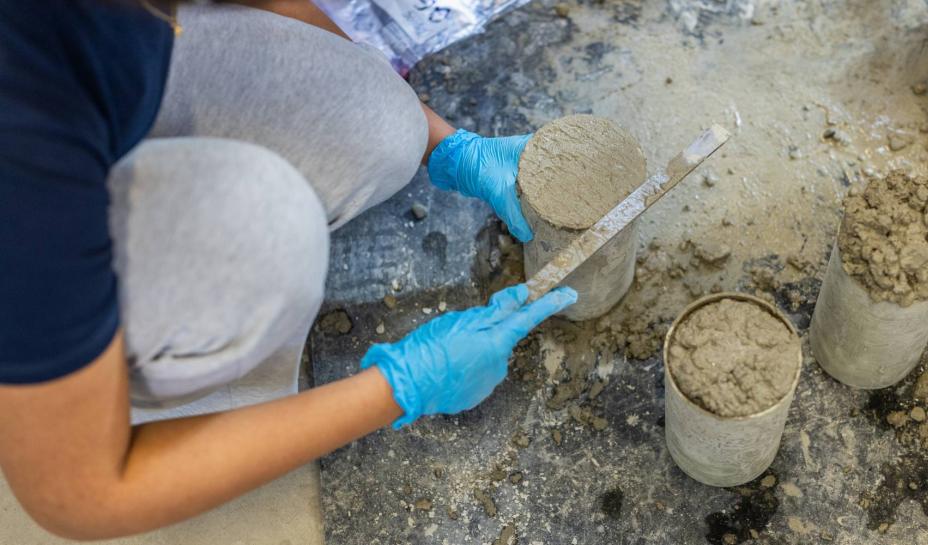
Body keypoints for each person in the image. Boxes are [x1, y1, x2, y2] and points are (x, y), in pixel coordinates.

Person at [0, 0, 576, 539]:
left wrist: (450, 146)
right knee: (269, 238)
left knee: (378, 121)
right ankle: (158, 404)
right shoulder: (25, 140)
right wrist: (402, 387)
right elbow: (76, 495)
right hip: (33, 178)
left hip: (82, 70)